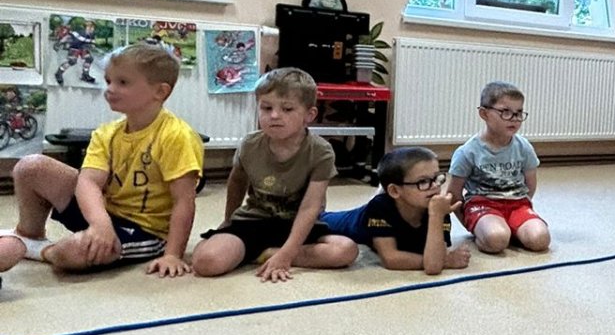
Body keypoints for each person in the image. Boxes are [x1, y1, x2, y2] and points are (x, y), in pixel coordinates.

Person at [3, 42, 203, 275]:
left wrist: (172, 255)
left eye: (123, 82)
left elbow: (184, 201)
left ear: (160, 92)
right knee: (30, 166)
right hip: (101, 214)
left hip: (144, 231)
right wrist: (101, 224)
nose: (110, 89)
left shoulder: (177, 136)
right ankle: (28, 235)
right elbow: (88, 182)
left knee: (73, 252)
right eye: (108, 81)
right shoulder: (106, 133)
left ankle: (36, 250)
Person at [191, 67, 358, 282]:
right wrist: (228, 221)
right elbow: (237, 182)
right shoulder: (249, 144)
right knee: (206, 261)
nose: (275, 116)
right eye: (266, 108)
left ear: (309, 115)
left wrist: (287, 254)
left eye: (287, 109)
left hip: (298, 226)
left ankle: (267, 254)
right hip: (254, 221)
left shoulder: (321, 151)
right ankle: (261, 251)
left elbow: (310, 206)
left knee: (345, 250)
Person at [326, 146, 471, 274]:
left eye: (437, 178)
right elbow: (391, 259)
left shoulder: (438, 207)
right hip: (330, 223)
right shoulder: (380, 207)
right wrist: (445, 261)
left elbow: (434, 261)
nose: (435, 186)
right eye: (423, 182)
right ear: (395, 191)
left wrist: (436, 216)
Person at [445, 82, 550, 254]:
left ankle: (510, 227)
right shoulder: (467, 152)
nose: (514, 118)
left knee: (540, 239)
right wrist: (470, 224)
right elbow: (454, 194)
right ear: (484, 113)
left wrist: (524, 206)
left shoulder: (524, 147)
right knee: (496, 239)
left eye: (519, 113)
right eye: (505, 112)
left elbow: (530, 184)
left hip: (517, 205)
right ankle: (498, 229)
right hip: (483, 205)